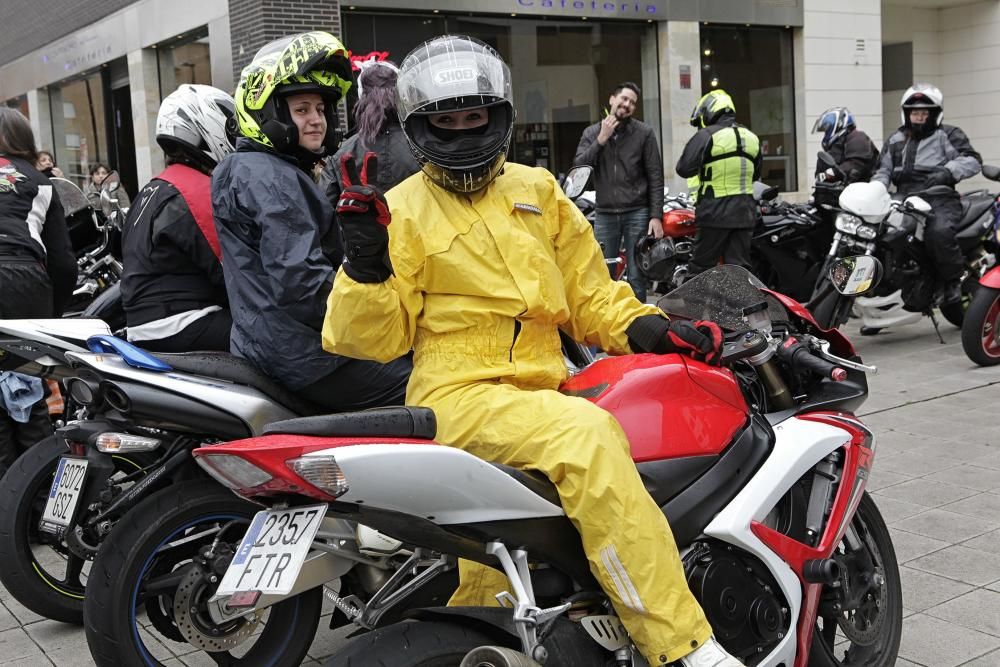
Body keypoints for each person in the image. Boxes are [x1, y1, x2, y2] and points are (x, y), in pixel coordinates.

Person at [323, 35, 740, 667]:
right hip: (457, 394)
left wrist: (651, 327)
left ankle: (497, 639)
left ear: (499, 117)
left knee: (524, 527)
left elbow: (590, 294)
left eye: (474, 117)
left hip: (547, 383)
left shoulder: (538, 190)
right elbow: (368, 340)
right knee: (588, 439)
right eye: (446, 120)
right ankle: (683, 645)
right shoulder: (400, 209)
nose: (463, 132)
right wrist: (365, 267)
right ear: (420, 126)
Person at [212, 31, 410, 410]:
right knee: (430, 388)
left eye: (320, 110)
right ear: (267, 111)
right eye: (302, 110)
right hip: (309, 356)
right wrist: (375, 321)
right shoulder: (271, 177)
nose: (317, 120)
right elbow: (303, 284)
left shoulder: (243, 167)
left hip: (271, 343)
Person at [120, 84, 236, 353]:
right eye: (232, 128)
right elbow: (230, 273)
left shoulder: (155, 186)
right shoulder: (195, 190)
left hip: (146, 325)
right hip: (182, 321)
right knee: (281, 341)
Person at [0, 108, 77, 474]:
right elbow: (63, 262)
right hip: (24, 282)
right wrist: (50, 317)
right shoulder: (40, 180)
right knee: (29, 391)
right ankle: (41, 508)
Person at [873, 83, 982, 306]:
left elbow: (972, 160)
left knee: (939, 233)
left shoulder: (948, 134)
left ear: (934, 114)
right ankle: (886, 289)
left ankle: (953, 280)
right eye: (915, 112)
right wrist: (876, 189)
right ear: (907, 114)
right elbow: (882, 170)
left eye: (924, 112)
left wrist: (947, 171)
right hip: (902, 197)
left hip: (938, 196)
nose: (919, 117)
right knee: (878, 232)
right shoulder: (895, 139)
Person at [574, 81, 664, 303]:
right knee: (604, 274)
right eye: (624, 99)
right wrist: (601, 140)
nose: (627, 104)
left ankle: (640, 328)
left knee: (636, 275)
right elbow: (578, 168)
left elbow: (655, 175)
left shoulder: (644, 133)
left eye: (632, 102)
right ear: (612, 99)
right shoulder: (592, 133)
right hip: (605, 212)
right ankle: (607, 325)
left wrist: (656, 216)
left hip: (637, 212)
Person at [675, 89, 761, 277]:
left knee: (700, 269)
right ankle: (739, 305)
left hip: (714, 213)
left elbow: (683, 168)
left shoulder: (707, 135)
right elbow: (756, 174)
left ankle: (694, 306)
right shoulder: (751, 137)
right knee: (739, 270)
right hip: (744, 213)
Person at [319, 59, 420, 209]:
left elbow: (323, 211)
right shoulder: (423, 146)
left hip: (360, 231)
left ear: (361, 98)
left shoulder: (342, 153)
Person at [812, 107, 879, 184]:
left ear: (838, 125)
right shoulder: (836, 145)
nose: (825, 135)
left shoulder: (858, 138)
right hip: (840, 192)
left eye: (827, 131)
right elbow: (825, 166)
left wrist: (831, 173)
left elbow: (854, 165)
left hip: (864, 189)